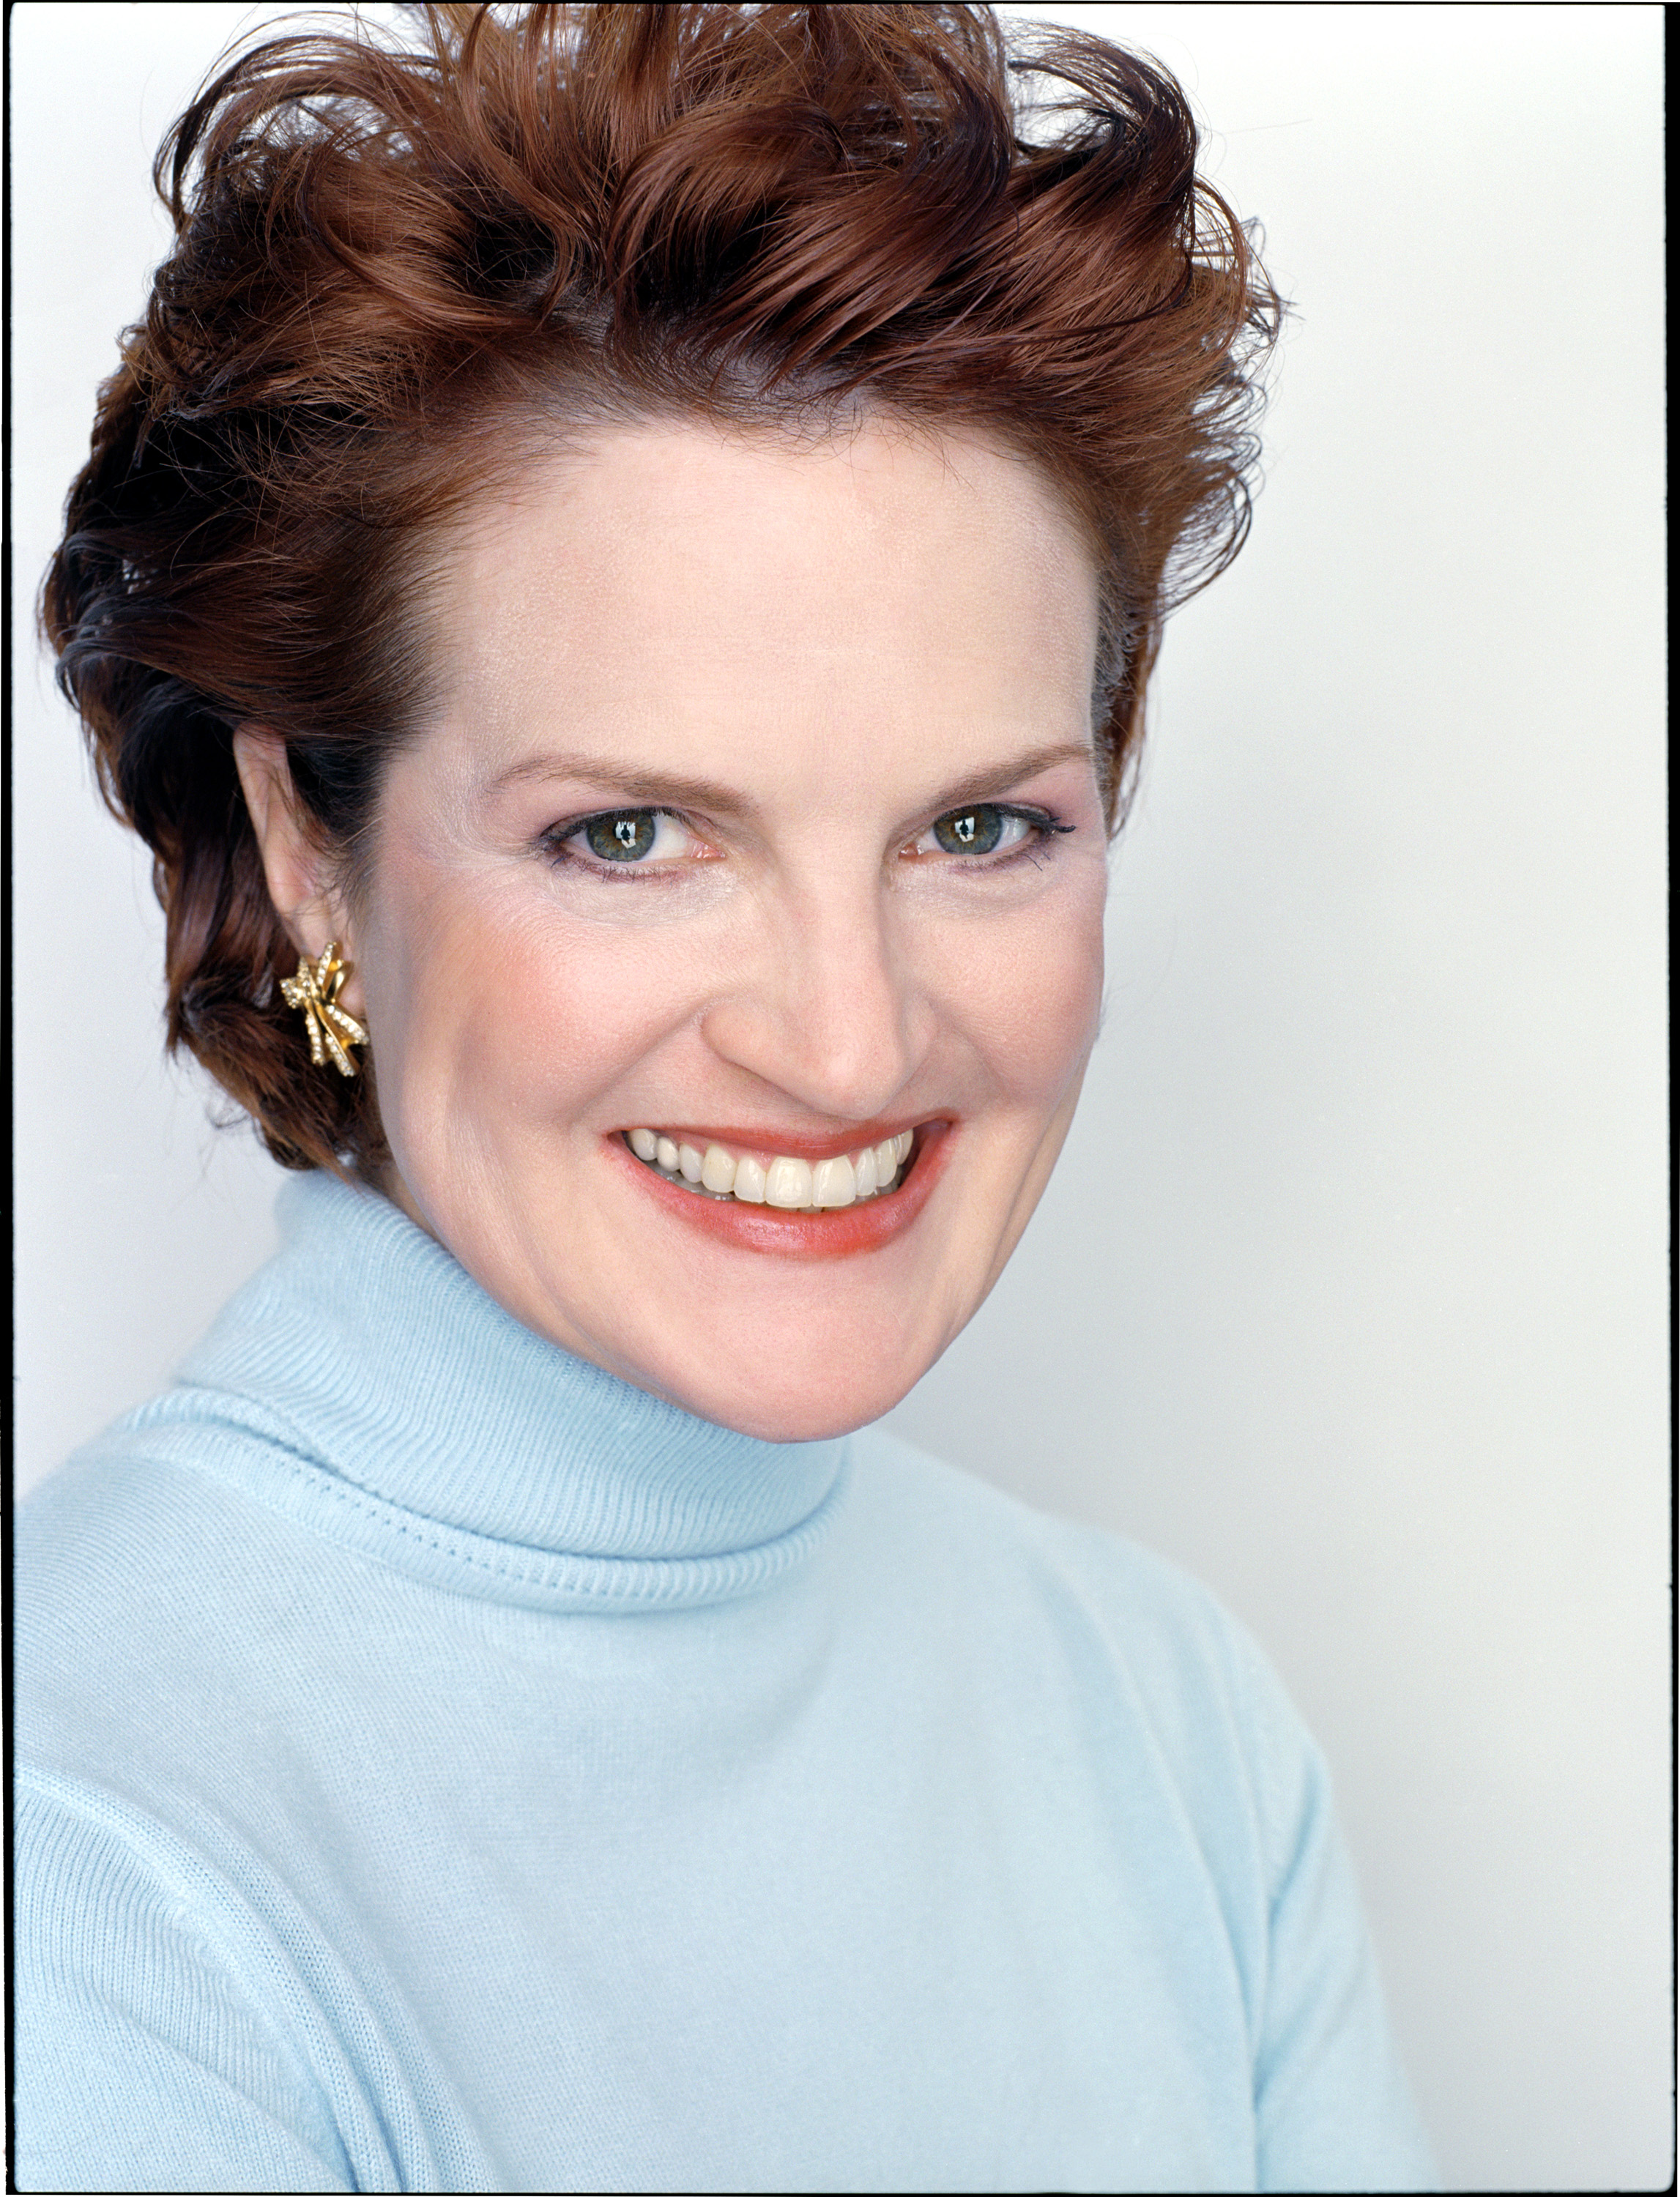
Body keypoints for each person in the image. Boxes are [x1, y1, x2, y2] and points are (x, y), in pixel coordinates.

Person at [14, 6, 1436, 2189]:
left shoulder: (1175, 1730)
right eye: (630, 835)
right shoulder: (85, 1866)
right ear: (307, 835)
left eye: (980, 830)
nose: (848, 1047)